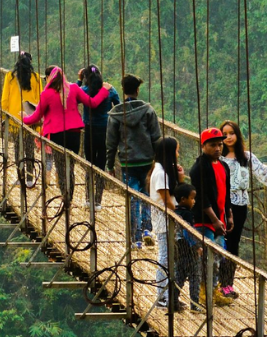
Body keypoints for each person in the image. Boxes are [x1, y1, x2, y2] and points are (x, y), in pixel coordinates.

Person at [217, 119, 267, 298]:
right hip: (220, 205)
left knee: (233, 244)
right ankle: (214, 283)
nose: (228, 137)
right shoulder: (217, 157)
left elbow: (265, 173)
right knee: (218, 242)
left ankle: (226, 284)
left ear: (237, 135)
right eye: (225, 134)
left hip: (239, 206)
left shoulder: (246, 157)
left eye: (232, 133)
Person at [22, 66, 115, 206]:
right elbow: (93, 103)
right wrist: (104, 90)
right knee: (70, 166)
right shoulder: (73, 88)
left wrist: (24, 118)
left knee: (60, 166)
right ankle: (69, 196)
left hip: (56, 134)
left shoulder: (46, 94)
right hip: (74, 134)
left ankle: (65, 196)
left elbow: (36, 117)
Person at [105, 74, 162, 249]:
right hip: (147, 161)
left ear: (123, 90)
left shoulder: (116, 114)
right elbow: (156, 137)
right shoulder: (148, 110)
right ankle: (147, 230)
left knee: (132, 198)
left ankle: (135, 238)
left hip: (127, 163)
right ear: (137, 90)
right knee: (146, 196)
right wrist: (159, 161)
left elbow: (111, 143)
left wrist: (109, 165)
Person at [188, 128, 234, 307]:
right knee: (206, 259)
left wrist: (229, 215)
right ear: (203, 146)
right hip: (204, 220)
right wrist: (215, 220)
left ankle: (213, 291)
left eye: (220, 144)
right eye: (213, 145)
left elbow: (226, 193)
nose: (217, 148)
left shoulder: (223, 166)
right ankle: (202, 294)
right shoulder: (199, 168)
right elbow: (201, 197)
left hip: (219, 219)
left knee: (216, 258)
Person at [149, 136, 186, 308]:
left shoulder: (162, 171)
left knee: (170, 258)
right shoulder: (160, 174)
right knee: (164, 257)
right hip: (165, 221)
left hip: (167, 220)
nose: (178, 154)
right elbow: (167, 201)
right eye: (177, 150)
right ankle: (162, 297)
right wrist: (180, 215)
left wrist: (180, 178)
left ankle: (169, 296)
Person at [79, 65, 120, 204]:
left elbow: (72, 96)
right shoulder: (110, 90)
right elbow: (119, 107)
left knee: (89, 164)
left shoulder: (84, 90)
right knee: (101, 165)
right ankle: (98, 201)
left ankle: (88, 198)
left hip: (89, 130)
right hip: (105, 130)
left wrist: (79, 80)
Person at [1, 51, 43, 187]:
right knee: (29, 149)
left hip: (15, 118)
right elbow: (40, 100)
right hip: (31, 118)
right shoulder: (36, 78)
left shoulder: (10, 77)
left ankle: (20, 177)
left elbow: (4, 100)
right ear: (30, 62)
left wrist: (5, 116)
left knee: (17, 148)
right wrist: (39, 121)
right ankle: (30, 179)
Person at [172, 182, 203, 312]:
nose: (194, 201)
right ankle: (194, 304)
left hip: (178, 249)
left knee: (179, 277)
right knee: (195, 277)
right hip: (189, 250)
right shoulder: (188, 214)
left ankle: (173, 302)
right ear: (183, 199)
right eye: (192, 198)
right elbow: (187, 232)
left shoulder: (175, 212)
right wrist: (197, 247)